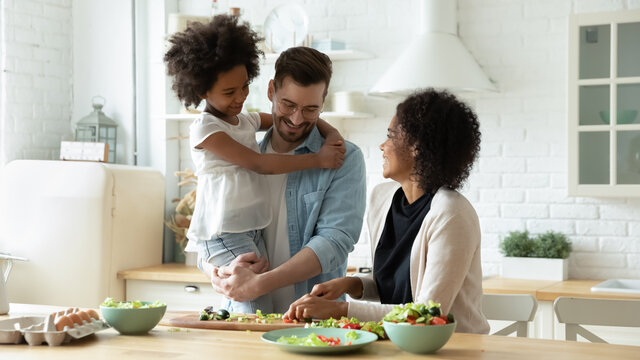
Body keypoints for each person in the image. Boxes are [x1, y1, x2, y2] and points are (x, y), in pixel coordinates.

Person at [163, 15, 347, 314]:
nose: (240, 98)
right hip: (224, 233)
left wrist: (331, 132)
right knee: (254, 307)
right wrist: (317, 159)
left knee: (255, 304)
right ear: (202, 91)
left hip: (246, 232)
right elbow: (258, 164)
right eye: (229, 92)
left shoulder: (245, 120)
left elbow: (286, 117)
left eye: (244, 87)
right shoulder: (206, 130)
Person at [284, 89, 491, 334]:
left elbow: (427, 314)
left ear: (417, 146)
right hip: (397, 343)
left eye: (390, 136)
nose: (382, 145)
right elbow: (396, 287)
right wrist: (351, 284)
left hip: (453, 349)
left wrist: (341, 310)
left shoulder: (452, 214)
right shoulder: (383, 199)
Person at [202, 46, 367, 313]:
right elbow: (210, 230)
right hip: (244, 319)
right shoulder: (241, 156)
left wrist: (259, 285)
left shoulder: (343, 159)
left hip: (314, 324)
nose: (296, 119)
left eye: (311, 109)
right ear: (271, 91)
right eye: (287, 105)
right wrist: (215, 272)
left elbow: (334, 242)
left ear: (322, 105)